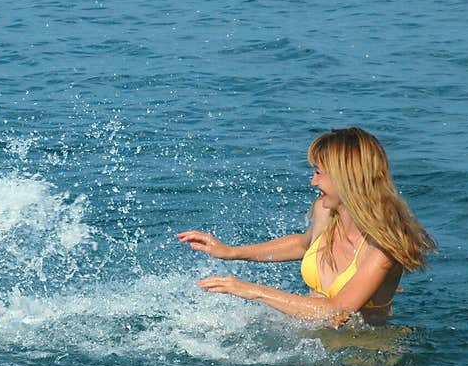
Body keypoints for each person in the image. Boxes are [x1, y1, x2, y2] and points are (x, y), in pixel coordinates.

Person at [177, 127, 436, 327]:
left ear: (346, 177)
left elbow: (338, 310)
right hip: (307, 342)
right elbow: (304, 244)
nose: (313, 182)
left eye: (319, 173)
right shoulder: (326, 210)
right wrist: (231, 252)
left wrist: (251, 290)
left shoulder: (383, 246)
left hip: (362, 359)